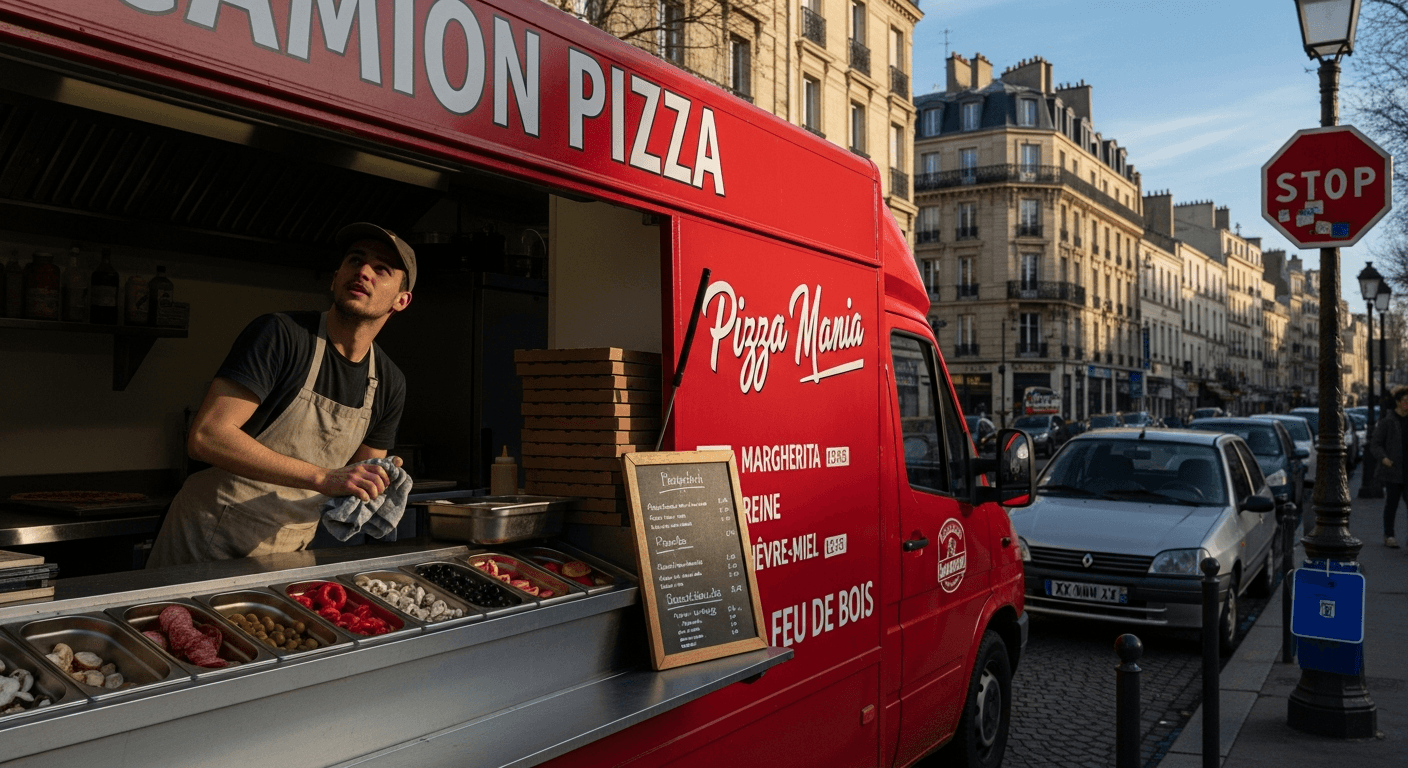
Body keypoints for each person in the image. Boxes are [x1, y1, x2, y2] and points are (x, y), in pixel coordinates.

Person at [147, 223, 415, 567]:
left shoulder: (389, 382)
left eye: (382, 269)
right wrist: (322, 477)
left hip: (289, 551)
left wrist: (379, 480)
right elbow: (206, 436)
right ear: (335, 278)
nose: (363, 271)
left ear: (401, 300)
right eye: (355, 260)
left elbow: (360, 476)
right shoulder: (281, 336)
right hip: (205, 539)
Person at [1369, 386, 1408, 548]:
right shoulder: (1388, 421)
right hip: (1393, 470)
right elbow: (1375, 444)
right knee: (1392, 503)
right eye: (1406, 401)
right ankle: (1389, 535)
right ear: (1398, 403)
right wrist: (1384, 458)